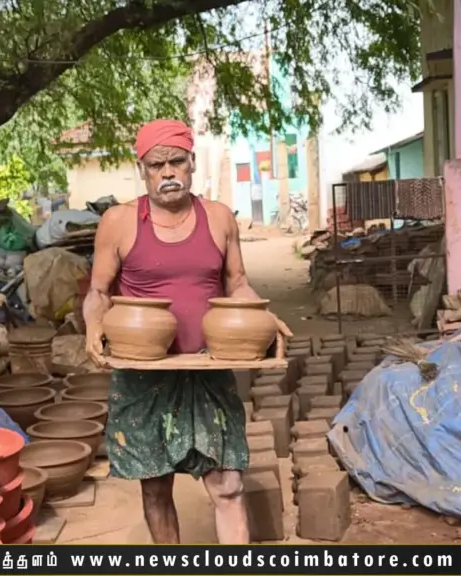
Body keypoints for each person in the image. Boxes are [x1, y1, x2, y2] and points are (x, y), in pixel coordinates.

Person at [82, 118, 292, 544]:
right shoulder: (119, 222)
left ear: (192, 162)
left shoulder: (218, 218)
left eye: (176, 161)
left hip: (206, 368)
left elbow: (237, 283)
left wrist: (264, 318)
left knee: (228, 484)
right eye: (156, 165)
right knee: (156, 487)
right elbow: (98, 292)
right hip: (144, 374)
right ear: (142, 169)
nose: (167, 172)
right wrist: (93, 324)